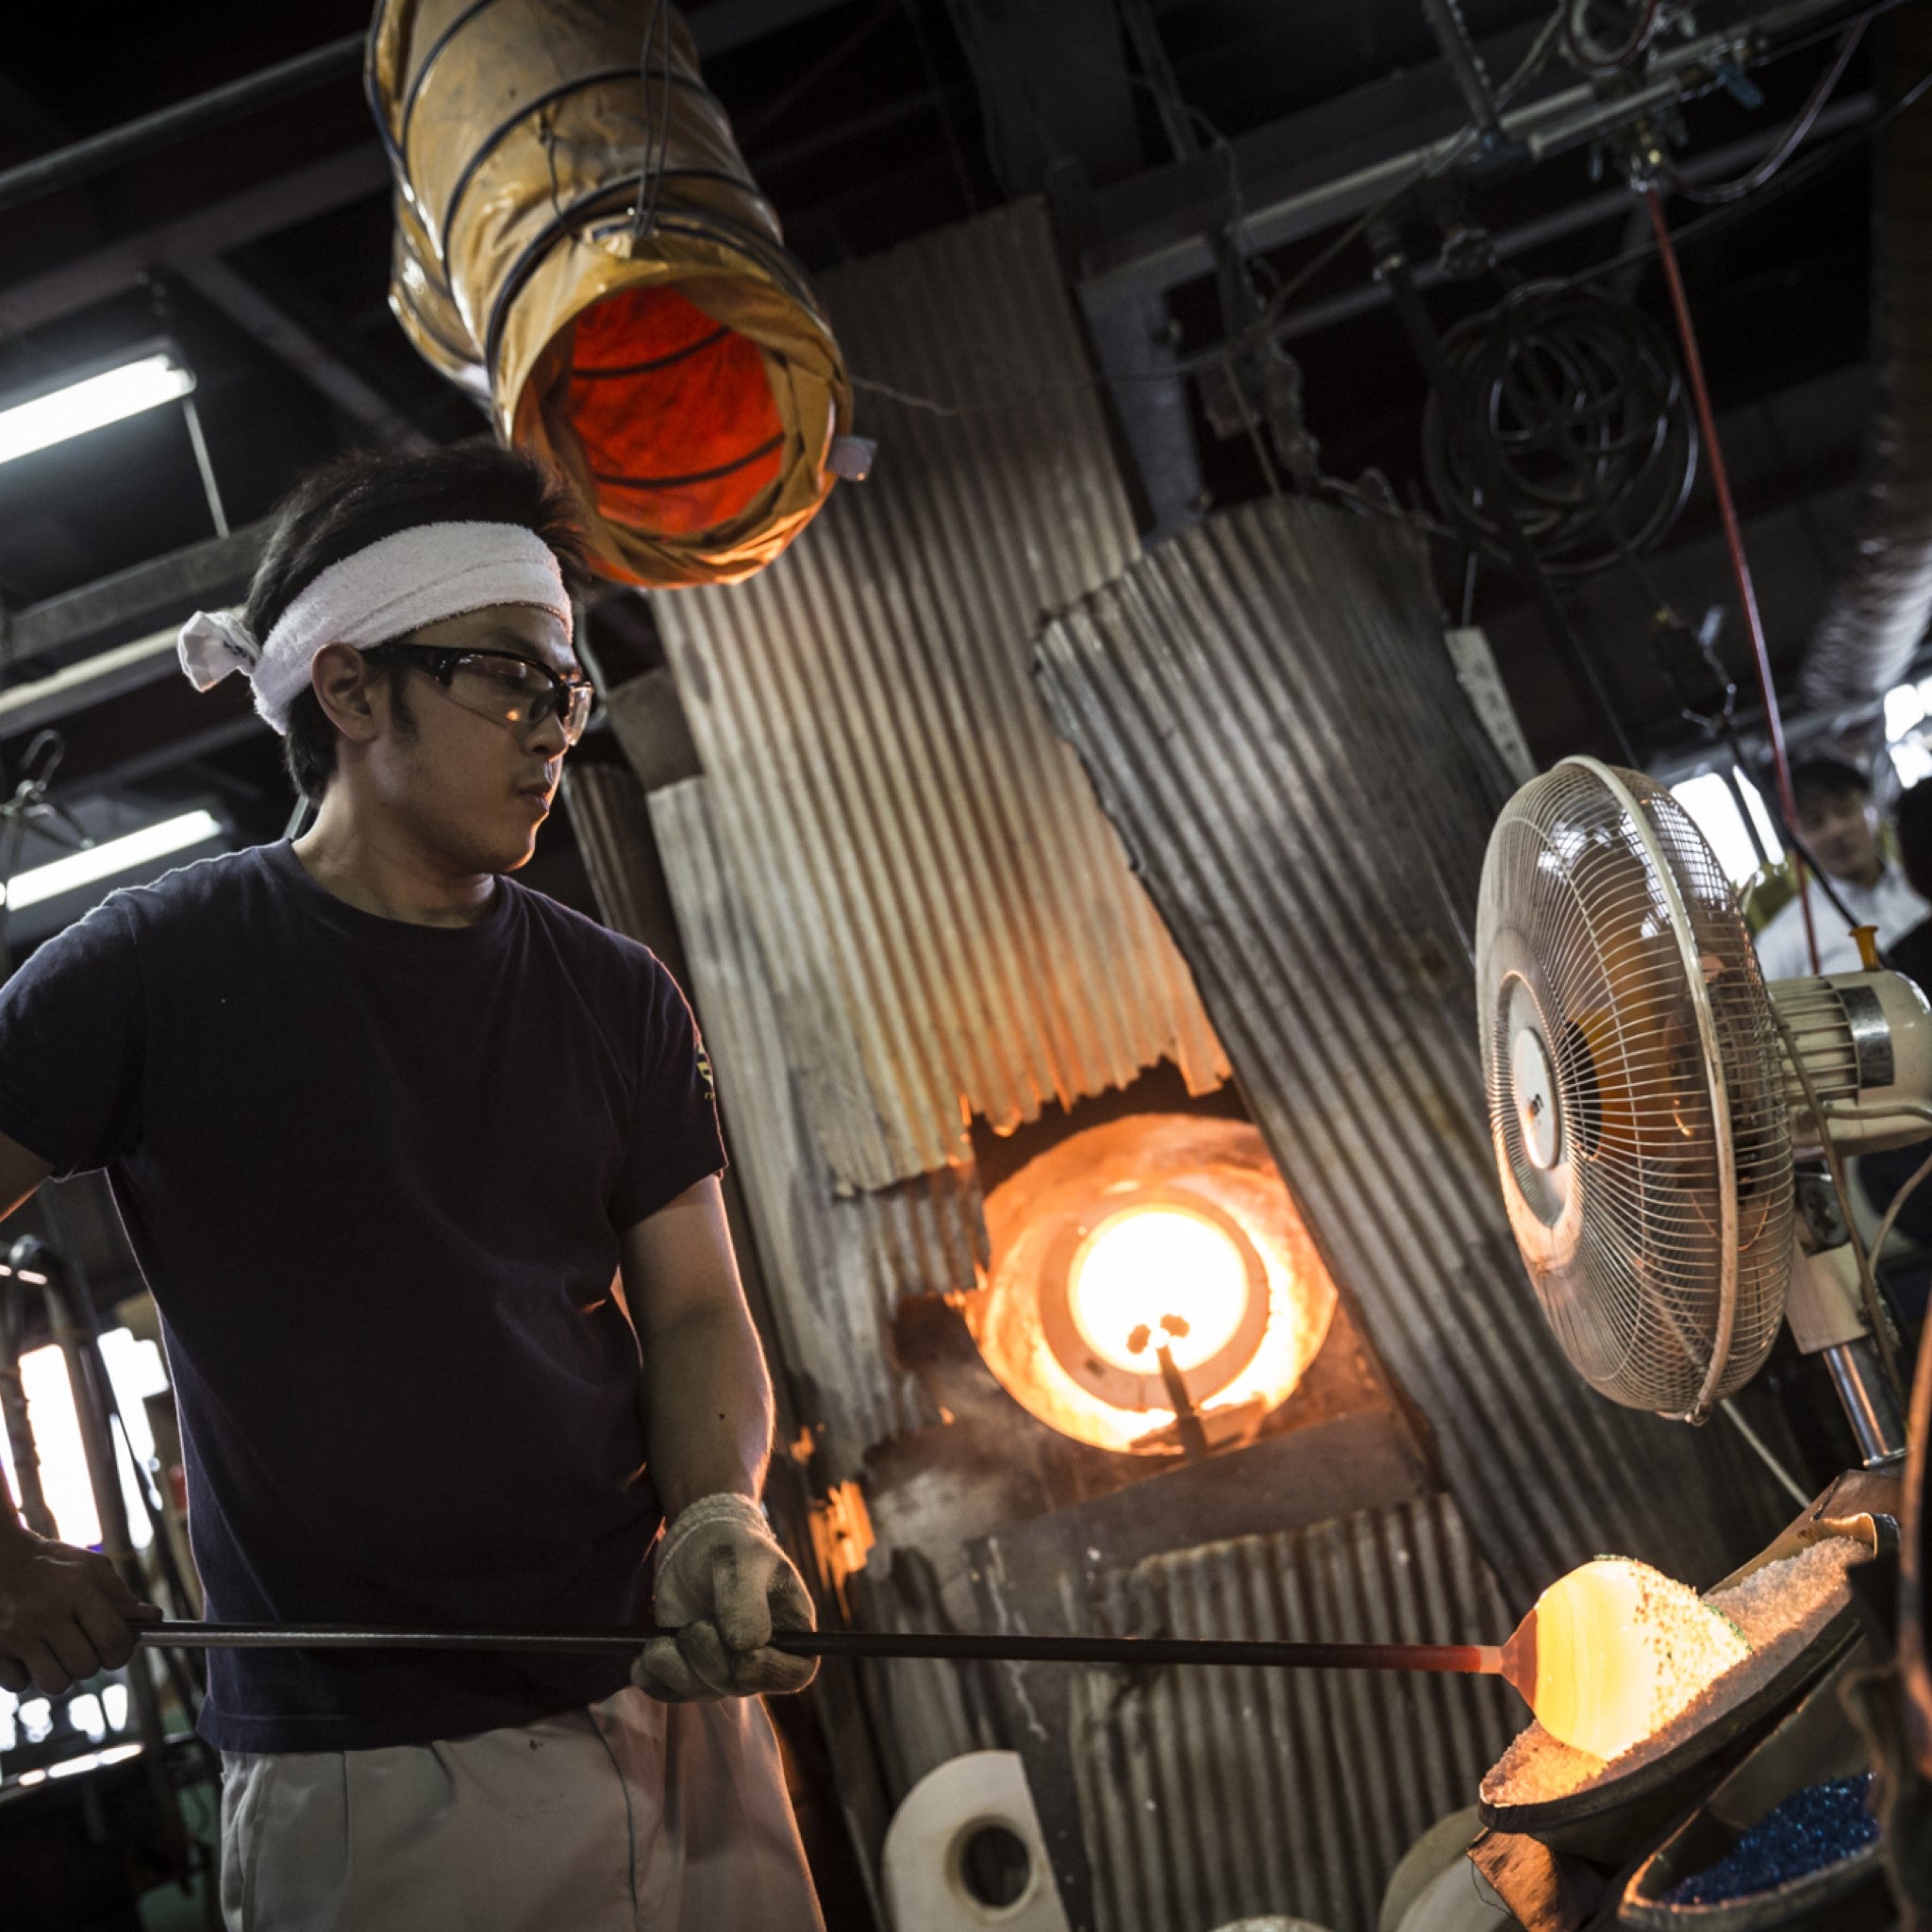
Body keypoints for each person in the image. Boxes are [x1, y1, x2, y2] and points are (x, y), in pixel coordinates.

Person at [0, 446, 824, 1930]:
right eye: (508, 681)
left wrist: (720, 1519)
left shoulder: (613, 995)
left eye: (566, 690)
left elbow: (696, 1306)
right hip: (372, 1776)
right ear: (350, 687)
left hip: (665, 1710)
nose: (553, 729)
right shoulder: (157, 973)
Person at [1751, 754, 1931, 982]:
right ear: (1796, 839)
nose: (1835, 831)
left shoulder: (1923, 884)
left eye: (1845, 809)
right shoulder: (1782, 941)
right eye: (1815, 822)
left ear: (1872, 808)